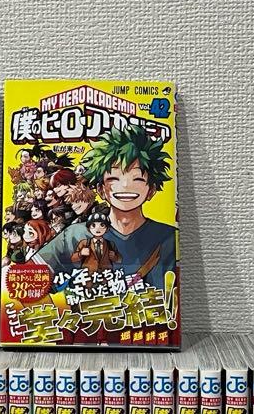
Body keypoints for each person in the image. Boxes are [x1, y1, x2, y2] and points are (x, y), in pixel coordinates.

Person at [32, 125, 176, 294]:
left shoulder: (168, 237)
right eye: (114, 178)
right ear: (100, 189)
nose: (125, 186)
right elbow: (26, 281)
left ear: (151, 190)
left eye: (137, 179)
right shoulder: (74, 235)